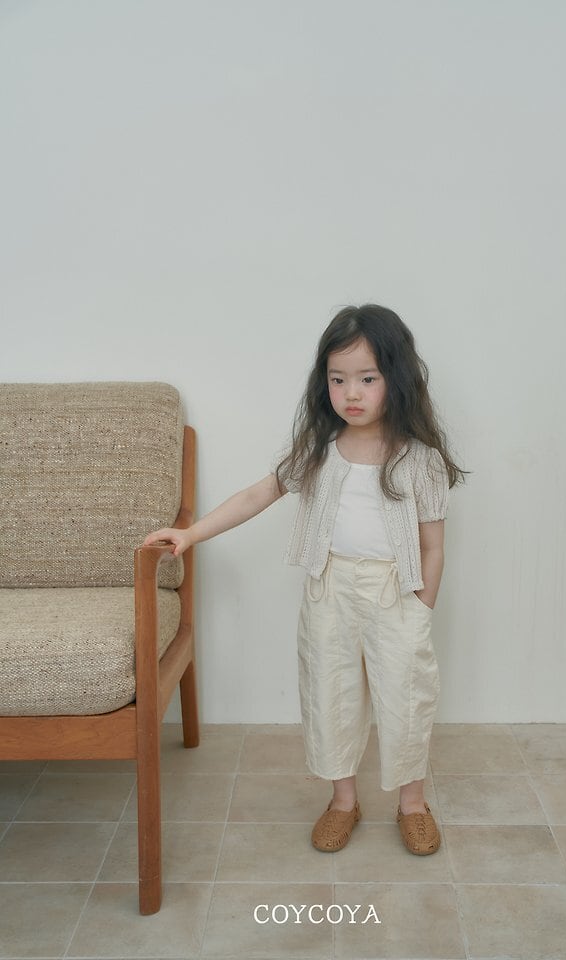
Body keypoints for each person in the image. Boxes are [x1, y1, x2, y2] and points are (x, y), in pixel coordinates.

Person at [144, 303, 466, 855]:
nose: (351, 393)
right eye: (338, 379)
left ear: (397, 379)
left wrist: (421, 607)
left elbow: (433, 544)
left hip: (395, 593)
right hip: (329, 589)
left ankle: (412, 804)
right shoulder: (319, 451)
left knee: (406, 699)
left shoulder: (419, 460)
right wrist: (191, 533)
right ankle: (343, 801)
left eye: (367, 378)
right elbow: (258, 494)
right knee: (330, 694)